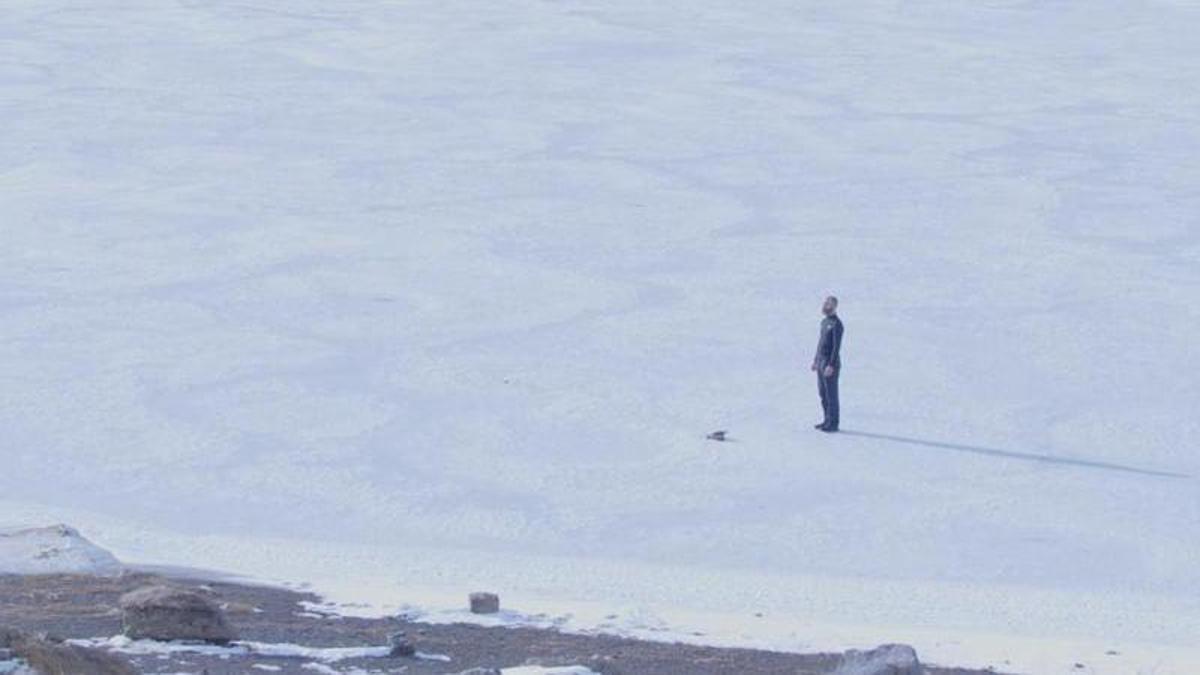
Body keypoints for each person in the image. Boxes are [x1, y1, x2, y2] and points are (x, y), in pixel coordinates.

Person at [811, 295, 844, 432]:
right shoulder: (824, 322)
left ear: (834, 306)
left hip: (830, 363)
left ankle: (833, 423)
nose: (825, 306)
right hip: (821, 361)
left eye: (828, 304)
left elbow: (836, 347)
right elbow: (820, 343)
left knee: (831, 394)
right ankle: (826, 420)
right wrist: (815, 360)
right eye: (825, 303)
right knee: (822, 392)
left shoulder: (837, 324)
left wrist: (831, 365)